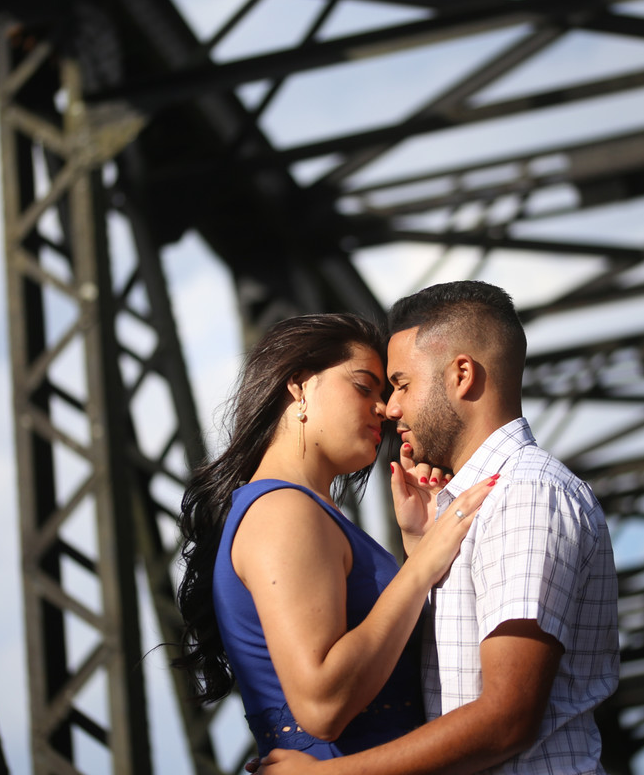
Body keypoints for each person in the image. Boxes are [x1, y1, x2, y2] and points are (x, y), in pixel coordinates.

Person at [257, 281, 620, 774]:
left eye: (401, 383)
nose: (391, 408)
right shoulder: (480, 505)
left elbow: (507, 719)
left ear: (462, 375)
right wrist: (419, 549)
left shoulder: (526, 494)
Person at [175, 313, 499, 761]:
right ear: (299, 387)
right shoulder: (281, 511)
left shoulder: (304, 512)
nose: (385, 409)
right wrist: (422, 568)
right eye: (364, 387)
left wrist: (418, 549)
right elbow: (321, 704)